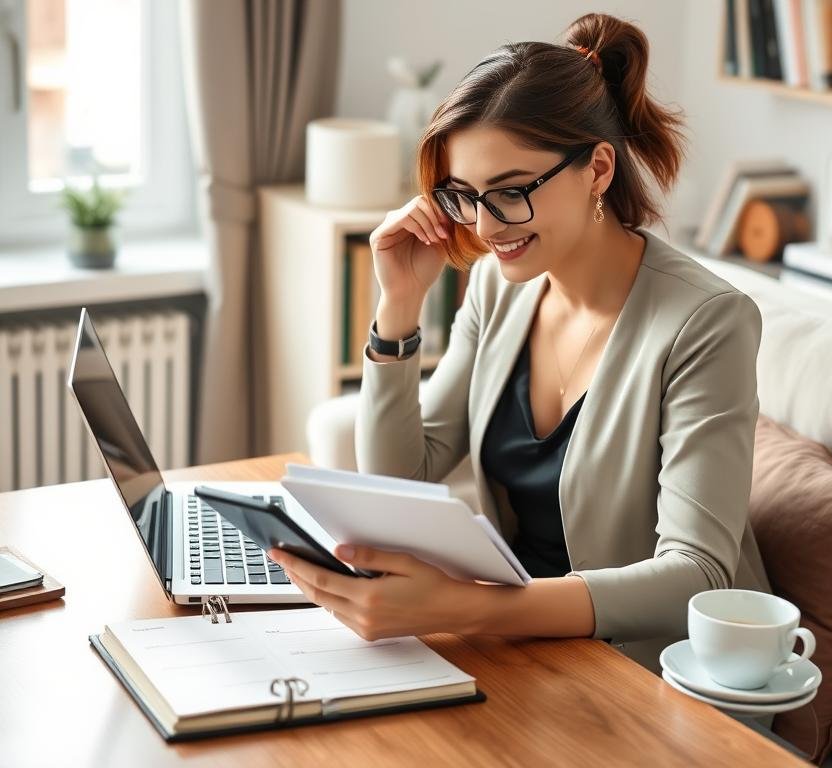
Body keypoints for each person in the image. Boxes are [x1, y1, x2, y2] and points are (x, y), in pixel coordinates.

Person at [271, 12, 770, 671]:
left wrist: (463, 607)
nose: (482, 225)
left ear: (597, 170)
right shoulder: (497, 289)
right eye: (463, 196)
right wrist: (398, 306)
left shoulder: (706, 321)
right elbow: (402, 477)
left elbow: (697, 574)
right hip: (524, 645)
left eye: (508, 193)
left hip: (653, 670)